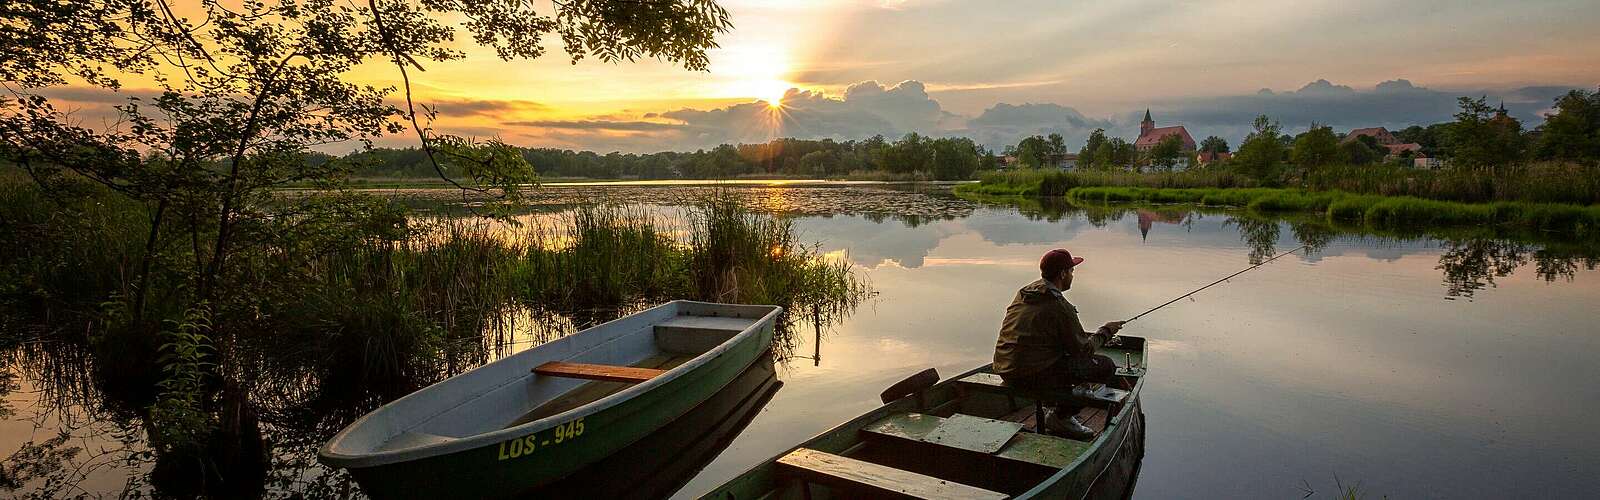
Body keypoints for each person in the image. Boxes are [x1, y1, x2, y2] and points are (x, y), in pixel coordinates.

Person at [993, 248, 1124, 439]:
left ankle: (1057, 401)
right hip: (1030, 376)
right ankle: (1061, 417)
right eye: (1071, 271)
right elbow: (1083, 351)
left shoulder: (1025, 293)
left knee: (1062, 360)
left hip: (1004, 368)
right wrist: (1106, 332)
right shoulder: (1059, 306)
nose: (1072, 276)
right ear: (1062, 274)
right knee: (1105, 366)